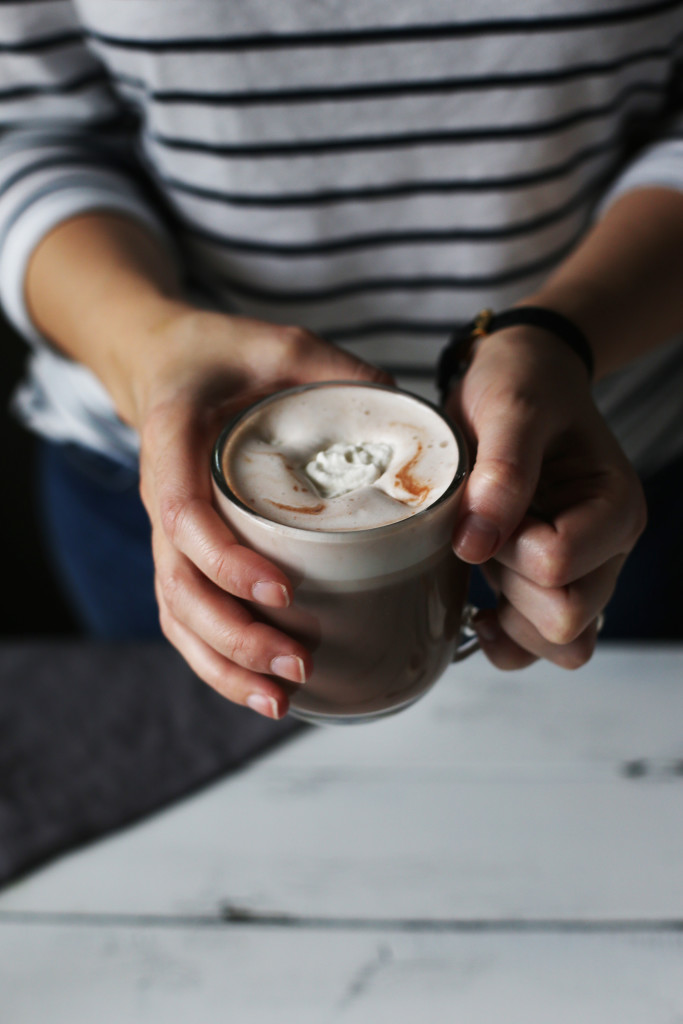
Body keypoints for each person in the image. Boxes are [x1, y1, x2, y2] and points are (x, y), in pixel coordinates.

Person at [1, 2, 681, 720]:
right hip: (167, 486)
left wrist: (567, 332)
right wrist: (146, 345)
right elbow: (22, 130)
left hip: (591, 487)